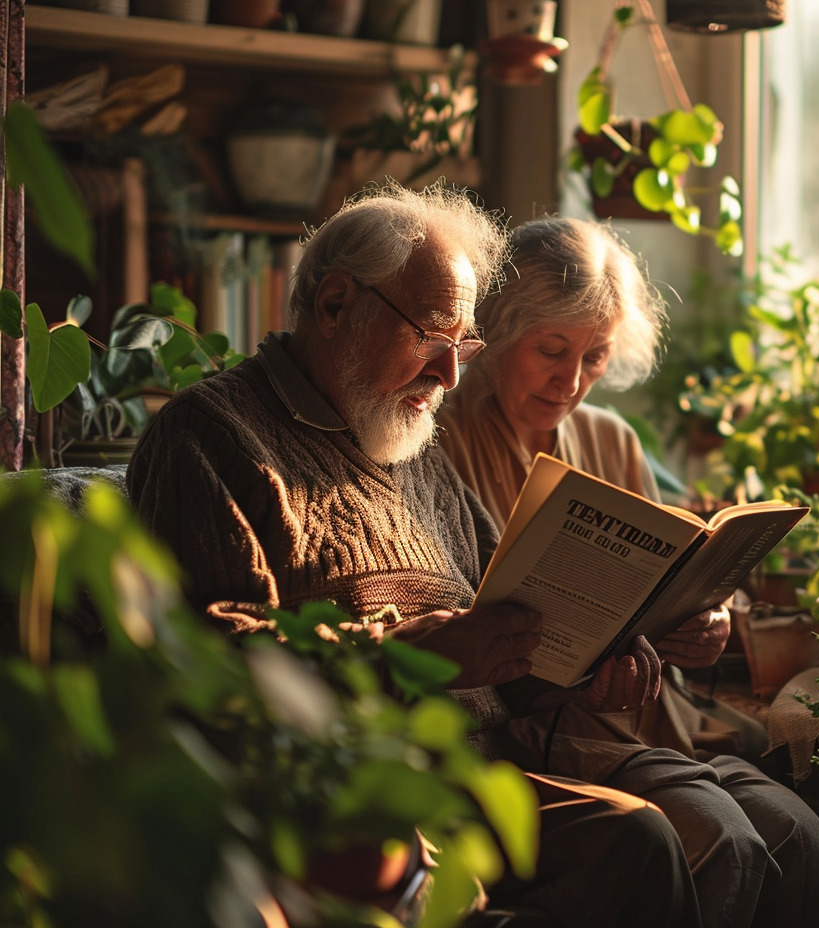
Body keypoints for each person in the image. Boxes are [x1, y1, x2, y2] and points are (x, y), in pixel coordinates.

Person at [125, 182, 703, 928]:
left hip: (472, 778)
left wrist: (586, 669)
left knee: (640, 837)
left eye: (464, 346)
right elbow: (211, 669)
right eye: (434, 337)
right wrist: (404, 657)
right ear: (335, 305)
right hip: (344, 798)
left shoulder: (412, 444)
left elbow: (509, 620)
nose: (452, 375)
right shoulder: (211, 437)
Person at [437, 215, 819, 928]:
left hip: (651, 720)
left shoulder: (610, 438)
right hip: (547, 734)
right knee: (729, 841)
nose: (571, 382)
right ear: (496, 333)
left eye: (594, 358)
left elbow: (661, 589)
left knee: (803, 839)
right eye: (551, 351)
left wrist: (697, 627)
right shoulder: (441, 438)